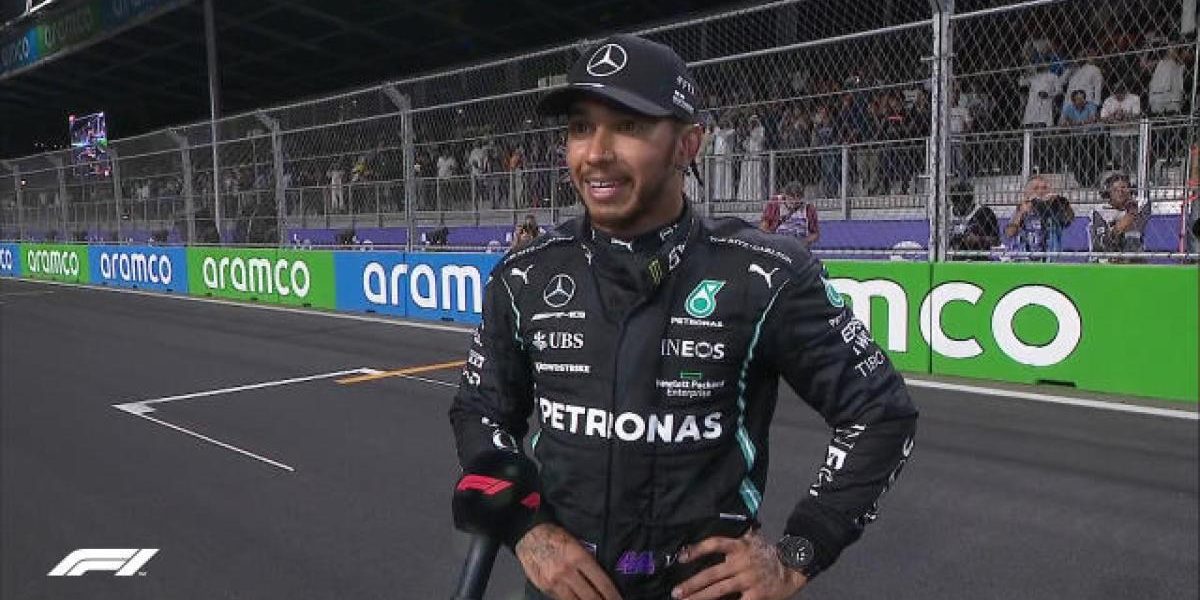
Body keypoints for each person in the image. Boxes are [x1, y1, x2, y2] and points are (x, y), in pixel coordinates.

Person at [450, 33, 917, 600]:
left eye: (628, 126)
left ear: (687, 145)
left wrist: (798, 553)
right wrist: (527, 529)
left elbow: (880, 414)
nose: (596, 152)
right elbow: (480, 410)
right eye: (580, 127)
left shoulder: (764, 274)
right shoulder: (525, 274)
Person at [1004, 175, 1074, 262]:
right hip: (1023, 260)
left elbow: (1069, 219)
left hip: (1050, 260)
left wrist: (1062, 202)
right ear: (1027, 193)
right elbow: (1009, 233)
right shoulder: (1021, 209)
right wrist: (1021, 213)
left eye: (1044, 188)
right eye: (1036, 188)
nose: (1041, 191)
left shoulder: (1055, 207)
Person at [1094, 173, 1146, 259]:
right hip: (1105, 256)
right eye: (1115, 189)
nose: (1120, 192)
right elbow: (1104, 242)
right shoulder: (1099, 211)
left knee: (1132, 235)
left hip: (1132, 254)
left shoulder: (1140, 206)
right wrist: (1130, 214)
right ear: (1108, 191)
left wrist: (1131, 207)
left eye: (1123, 188)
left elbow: (1136, 229)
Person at [1058, 90, 1103, 187]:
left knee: (1092, 159)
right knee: (1076, 160)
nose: (1081, 101)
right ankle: (1081, 182)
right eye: (1078, 99)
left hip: (1091, 136)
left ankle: (1094, 181)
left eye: (1083, 98)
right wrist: (1082, 123)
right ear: (1073, 101)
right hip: (1076, 137)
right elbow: (1062, 123)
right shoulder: (1068, 107)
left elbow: (1092, 119)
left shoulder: (1091, 106)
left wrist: (1074, 123)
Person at [947, 182, 999, 260]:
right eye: (957, 200)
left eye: (964, 201)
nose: (961, 205)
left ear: (971, 199)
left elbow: (996, 241)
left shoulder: (984, 213)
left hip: (977, 258)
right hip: (952, 258)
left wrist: (978, 239)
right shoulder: (946, 213)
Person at [759, 181, 820, 248]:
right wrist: (772, 239)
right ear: (785, 195)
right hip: (778, 243)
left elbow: (815, 233)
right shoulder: (775, 203)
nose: (794, 201)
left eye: (798, 197)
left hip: (799, 244)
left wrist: (805, 242)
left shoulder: (809, 208)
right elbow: (763, 227)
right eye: (791, 198)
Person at [1100, 83, 1141, 176]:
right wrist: (1115, 116)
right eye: (1116, 93)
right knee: (1118, 156)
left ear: (1125, 92)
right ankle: (1126, 174)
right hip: (1116, 133)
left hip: (1131, 133)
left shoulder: (1134, 98)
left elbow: (1136, 114)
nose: (1118, 95)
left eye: (1121, 93)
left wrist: (1122, 116)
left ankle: (1135, 174)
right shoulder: (1109, 101)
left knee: (1133, 154)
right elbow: (1103, 117)